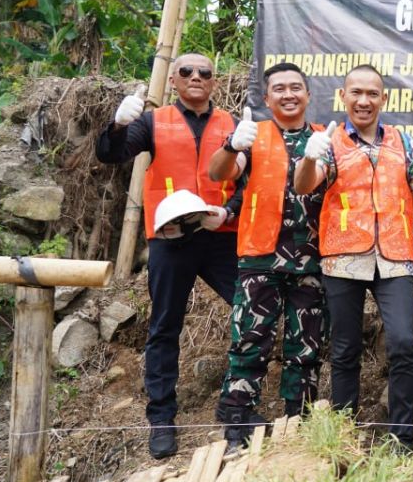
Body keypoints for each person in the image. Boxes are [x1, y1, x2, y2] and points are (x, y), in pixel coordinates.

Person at [95, 53, 239, 458]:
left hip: (219, 236)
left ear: (214, 81)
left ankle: (238, 405)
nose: (197, 77)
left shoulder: (231, 124)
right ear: (174, 79)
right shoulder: (153, 122)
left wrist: (229, 212)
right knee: (164, 326)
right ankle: (162, 419)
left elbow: (249, 181)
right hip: (171, 237)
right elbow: (111, 154)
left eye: (205, 73)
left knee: (249, 312)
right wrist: (119, 124)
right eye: (188, 72)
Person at [294, 65, 413, 451]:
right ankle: (343, 439)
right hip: (343, 259)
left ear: (383, 99)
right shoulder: (330, 142)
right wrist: (309, 159)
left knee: (404, 344)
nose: (364, 100)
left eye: (372, 93)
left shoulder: (404, 143)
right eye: (356, 92)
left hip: (394, 259)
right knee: (344, 349)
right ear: (343, 96)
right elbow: (304, 185)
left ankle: (402, 439)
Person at [208, 62, 328, 452]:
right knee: (249, 343)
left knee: (306, 348)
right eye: (280, 88)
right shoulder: (253, 136)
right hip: (260, 259)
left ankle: (299, 421)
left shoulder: (324, 138)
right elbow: (217, 174)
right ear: (267, 97)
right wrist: (230, 145)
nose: (289, 94)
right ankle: (237, 425)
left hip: (309, 260)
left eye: (296, 87)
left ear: (308, 95)